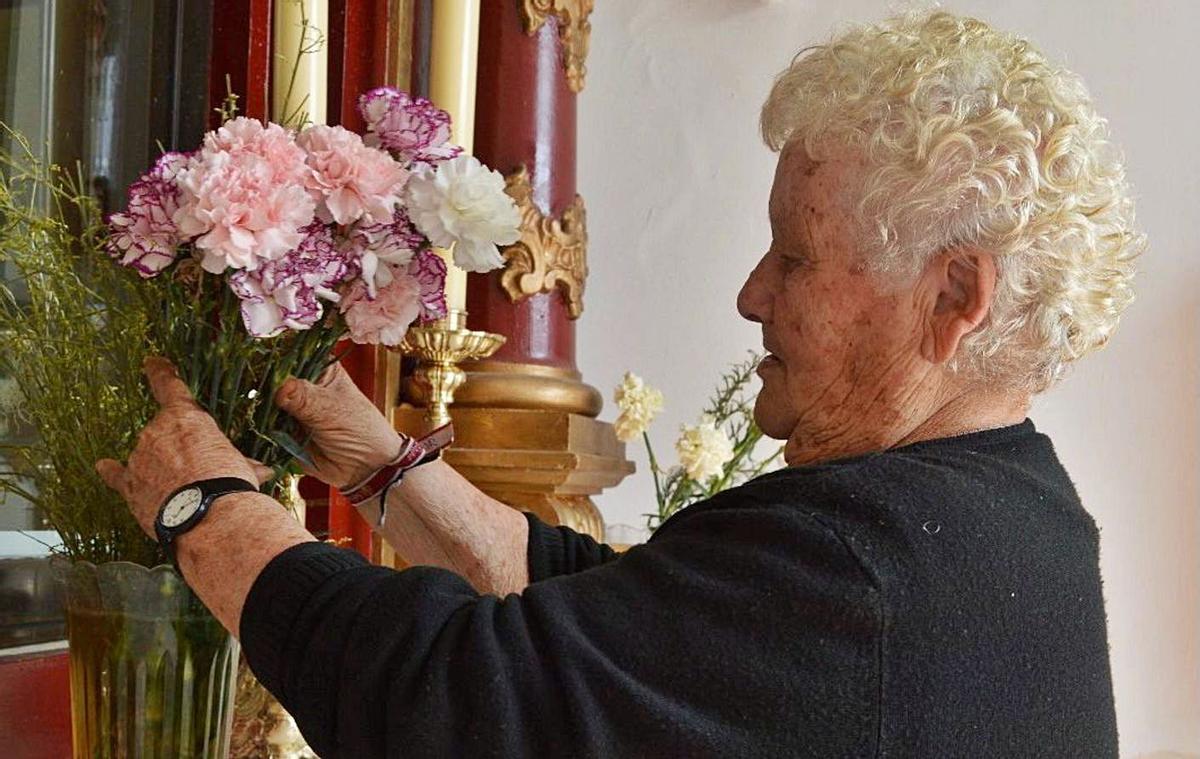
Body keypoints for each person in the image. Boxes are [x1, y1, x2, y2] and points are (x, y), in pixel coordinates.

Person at [96, 10, 1141, 758]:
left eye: (796, 257)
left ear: (954, 293)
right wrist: (387, 467)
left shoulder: (862, 563)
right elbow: (620, 638)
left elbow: (452, 700)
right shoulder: (1010, 510)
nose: (751, 294)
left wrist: (209, 510)